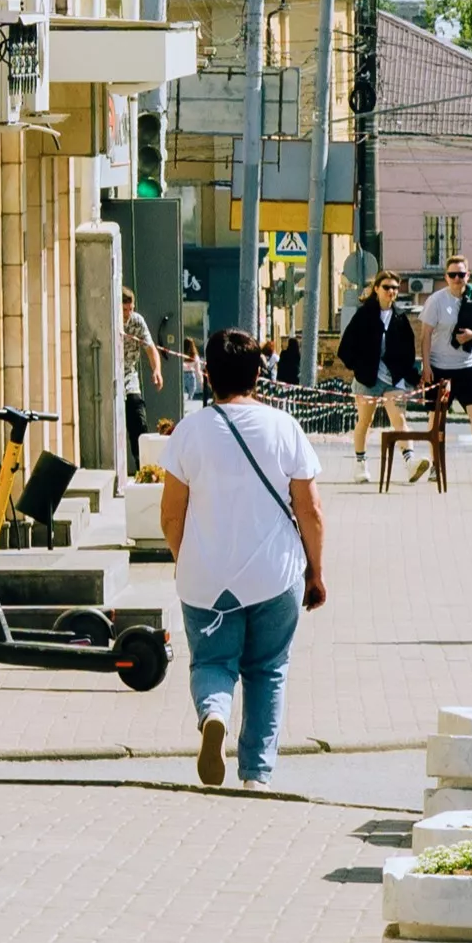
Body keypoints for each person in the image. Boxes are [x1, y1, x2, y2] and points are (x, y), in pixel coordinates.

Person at [158, 327, 326, 791]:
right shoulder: (283, 427)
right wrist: (316, 571)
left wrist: (185, 559)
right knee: (268, 668)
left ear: (208, 374)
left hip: (205, 576)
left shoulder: (189, 432)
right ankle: (256, 776)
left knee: (212, 661)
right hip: (275, 574)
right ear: (258, 373)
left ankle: (214, 713)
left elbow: (171, 514)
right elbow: (310, 510)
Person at [414, 256, 472, 484]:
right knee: (437, 419)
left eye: (461, 274)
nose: (457, 279)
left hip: (468, 366)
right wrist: (426, 366)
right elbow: (425, 335)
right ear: (445, 277)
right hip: (440, 367)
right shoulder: (436, 301)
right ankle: (436, 466)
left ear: (468, 276)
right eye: (452, 275)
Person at [336, 271, 421, 482]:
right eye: (386, 287)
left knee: (399, 419)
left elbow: (408, 351)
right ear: (376, 289)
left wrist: (408, 374)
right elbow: (346, 347)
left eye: (394, 288)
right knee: (365, 421)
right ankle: (360, 465)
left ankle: (411, 462)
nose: (391, 291)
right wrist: (359, 367)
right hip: (367, 379)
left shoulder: (400, 318)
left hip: (393, 379)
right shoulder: (364, 315)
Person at [120, 287, 161, 476]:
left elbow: (150, 347)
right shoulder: (111, 319)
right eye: (124, 310)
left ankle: (142, 467)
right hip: (112, 376)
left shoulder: (137, 321)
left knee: (138, 417)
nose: (127, 314)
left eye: (130, 309)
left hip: (129, 377)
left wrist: (157, 370)